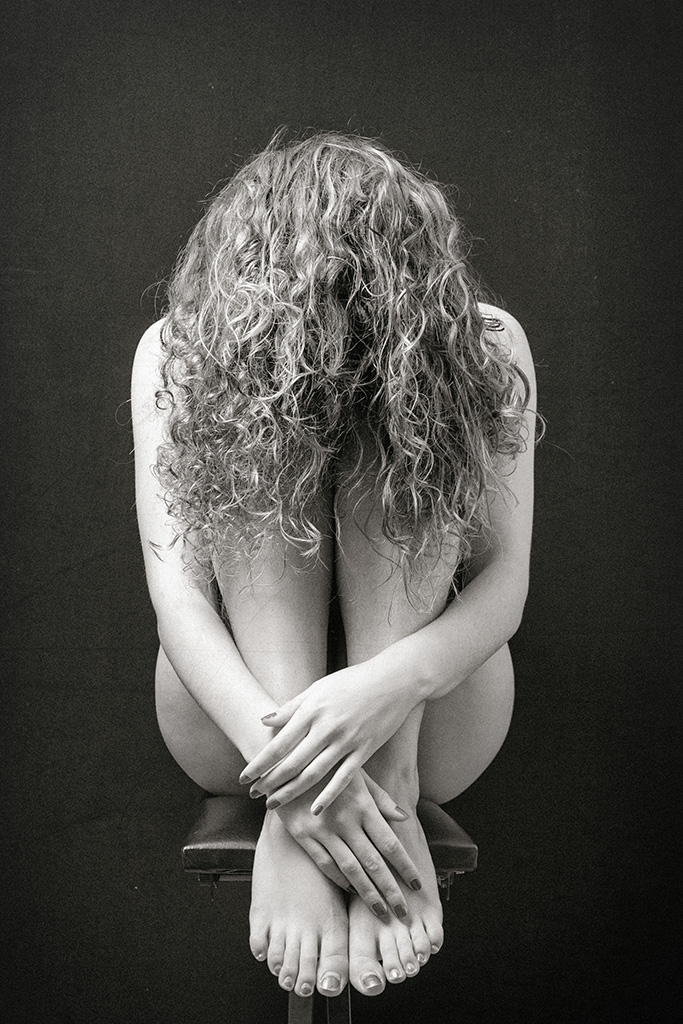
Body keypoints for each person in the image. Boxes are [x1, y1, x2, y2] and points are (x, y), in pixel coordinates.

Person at [131, 130, 537, 1001]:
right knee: (261, 422)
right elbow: (177, 596)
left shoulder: (485, 340)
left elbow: (504, 583)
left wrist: (386, 689)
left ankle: (386, 771)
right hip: (239, 729)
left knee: (401, 419)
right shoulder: (179, 345)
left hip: (430, 721)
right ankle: (303, 809)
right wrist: (292, 775)